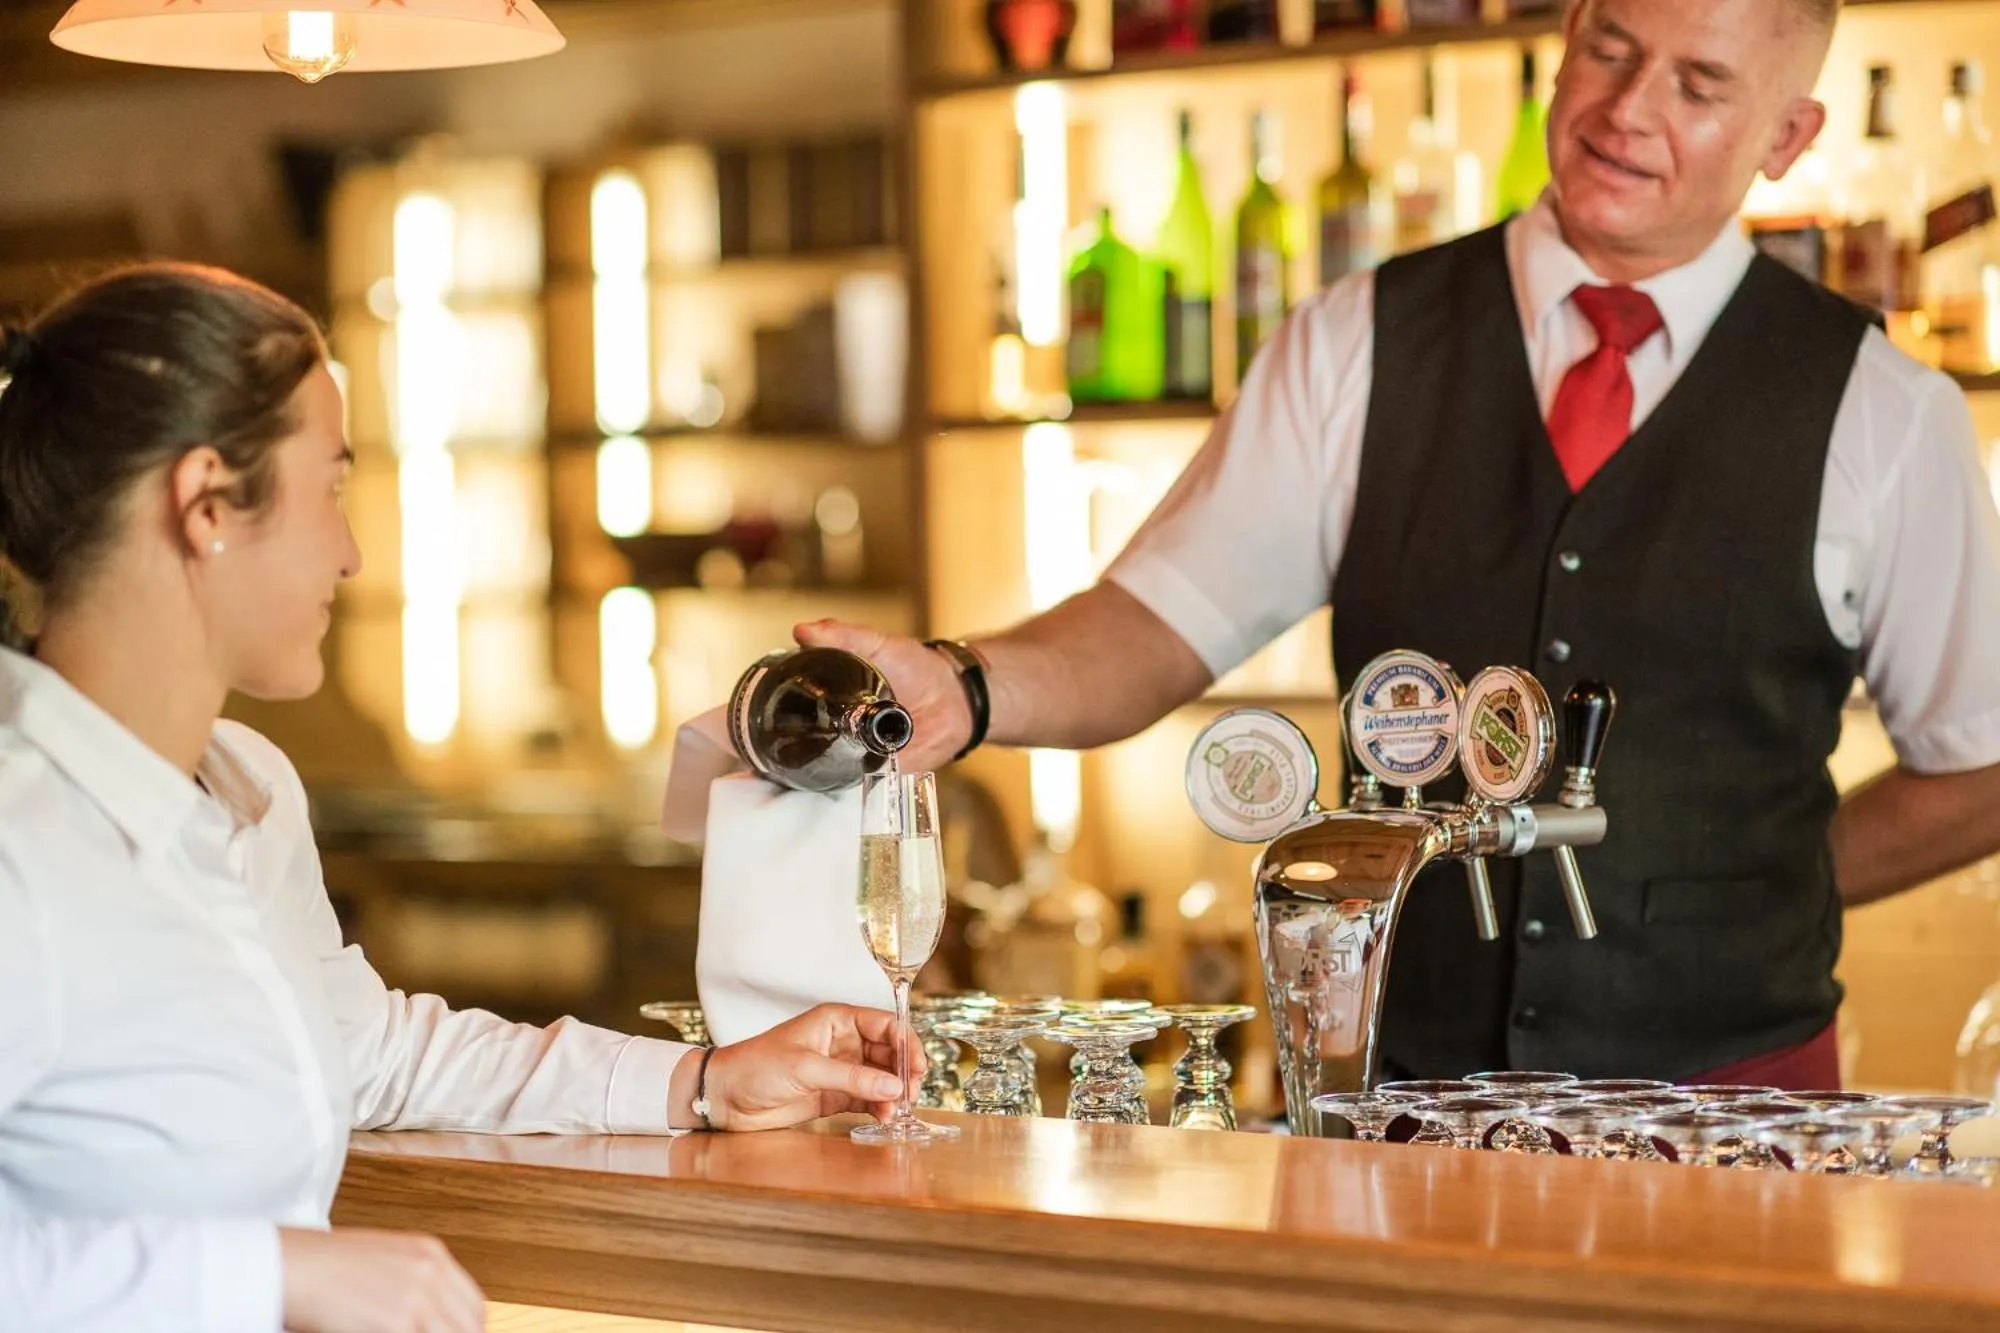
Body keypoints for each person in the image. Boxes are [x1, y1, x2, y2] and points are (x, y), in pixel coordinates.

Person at [803, 0, 2000, 1089]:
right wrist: (962, 686)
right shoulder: (1355, 342)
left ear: (1786, 134)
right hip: (1400, 1096)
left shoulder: (1881, 412)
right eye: (1610, 50)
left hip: (1736, 1114)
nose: (1626, 111)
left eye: (1697, 86)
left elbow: (1980, 763)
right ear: (1566, 39)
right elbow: (1149, 626)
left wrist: (1757, 884)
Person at [0, 264, 910, 1333]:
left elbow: (373, 1052)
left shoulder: (243, 786)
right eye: (330, 486)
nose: (348, 553)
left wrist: (702, 1084)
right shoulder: (24, 838)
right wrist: (270, 1276)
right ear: (207, 504)